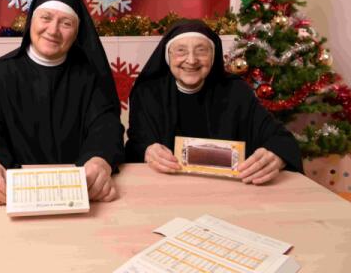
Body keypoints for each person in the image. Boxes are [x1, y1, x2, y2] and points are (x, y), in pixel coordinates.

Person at [0, 0, 124, 205]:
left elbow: (106, 126)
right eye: (46, 18)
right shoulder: (0, 72)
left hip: (77, 191)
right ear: (30, 21)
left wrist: (100, 160)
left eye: (66, 23)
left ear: (77, 32)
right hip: (15, 192)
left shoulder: (89, 75)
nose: (53, 31)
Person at [126, 19, 303, 184]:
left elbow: (280, 138)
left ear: (213, 55)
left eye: (201, 50)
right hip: (165, 187)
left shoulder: (236, 91)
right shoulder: (147, 93)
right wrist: (147, 151)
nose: (191, 60)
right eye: (181, 50)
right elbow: (136, 144)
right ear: (168, 55)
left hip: (227, 191)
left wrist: (276, 155)